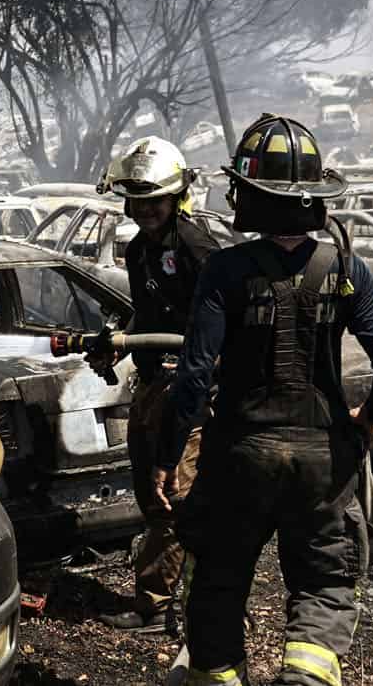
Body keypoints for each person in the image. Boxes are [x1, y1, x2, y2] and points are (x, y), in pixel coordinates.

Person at [157, 114, 373, 686]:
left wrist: (167, 458)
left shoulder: (225, 270)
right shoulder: (346, 268)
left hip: (239, 457)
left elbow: (194, 376)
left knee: (219, 578)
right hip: (323, 460)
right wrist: (367, 421)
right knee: (322, 581)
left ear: (247, 195)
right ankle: (305, 676)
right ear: (315, 196)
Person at [94, 137, 221, 633]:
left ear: (176, 199)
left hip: (188, 390)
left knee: (174, 495)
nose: (144, 210)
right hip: (151, 385)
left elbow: (218, 322)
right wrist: (119, 342)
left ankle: (164, 605)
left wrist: (196, 371)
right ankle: (167, 596)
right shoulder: (139, 250)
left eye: (155, 200)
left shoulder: (195, 247)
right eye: (137, 201)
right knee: (151, 490)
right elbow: (148, 313)